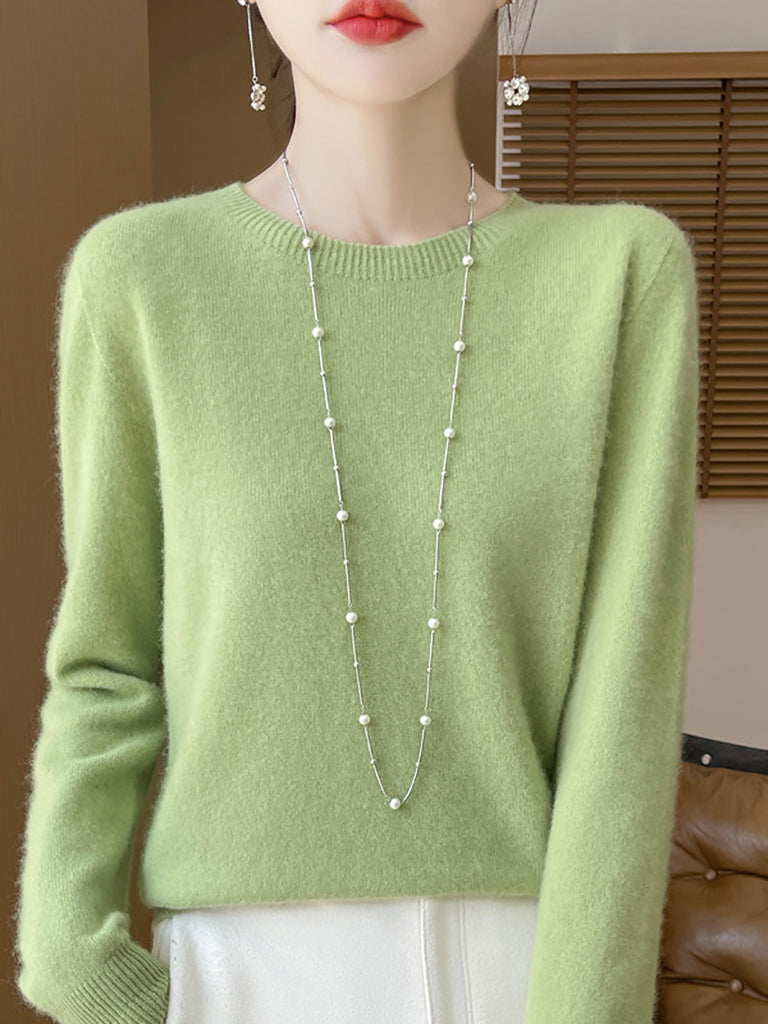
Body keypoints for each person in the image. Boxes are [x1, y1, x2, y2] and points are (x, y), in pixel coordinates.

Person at [13, 1, 701, 1023]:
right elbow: (107, 661)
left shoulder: (621, 274)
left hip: (529, 975)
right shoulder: (143, 278)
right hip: (234, 982)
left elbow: (624, 715)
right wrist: (75, 961)